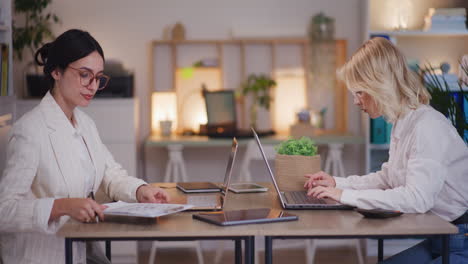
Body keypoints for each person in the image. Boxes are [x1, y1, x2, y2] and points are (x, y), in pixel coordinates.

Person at [0, 29, 169, 264]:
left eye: (98, 77)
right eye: (84, 75)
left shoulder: (85, 124)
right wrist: (61, 207)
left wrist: (140, 191)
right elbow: (4, 211)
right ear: (56, 72)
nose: (92, 85)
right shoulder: (30, 131)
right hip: (42, 256)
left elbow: (110, 174)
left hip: (81, 249)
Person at [304, 37, 468, 263]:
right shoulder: (404, 121)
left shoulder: (427, 127)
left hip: (460, 240)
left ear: (380, 85)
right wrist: (337, 183)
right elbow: (389, 177)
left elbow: (417, 198)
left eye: (360, 92)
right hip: (442, 235)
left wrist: (345, 196)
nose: (355, 101)